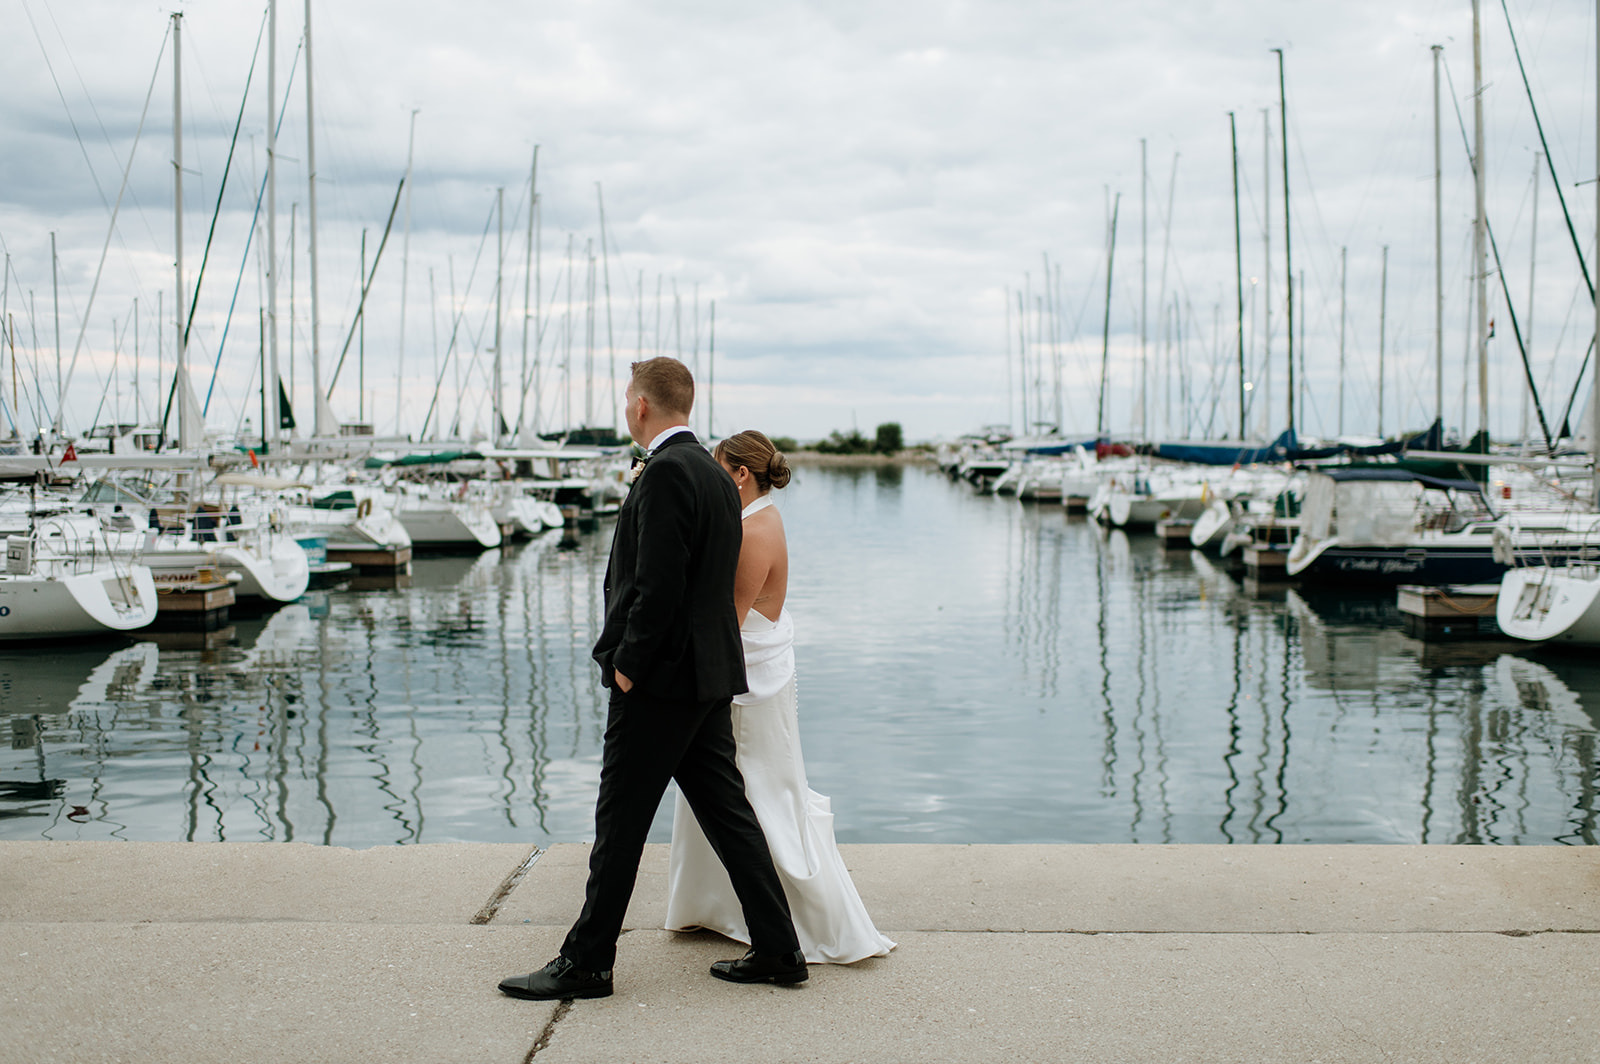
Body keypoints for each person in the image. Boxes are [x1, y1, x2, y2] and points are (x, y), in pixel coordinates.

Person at [498, 358, 805, 1002]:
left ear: (640, 406)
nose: (625, 409)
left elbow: (660, 586)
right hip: (707, 675)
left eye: (625, 400)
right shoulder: (718, 477)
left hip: (660, 679)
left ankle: (587, 963)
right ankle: (779, 948)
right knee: (729, 815)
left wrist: (629, 665)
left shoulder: (667, 471)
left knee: (621, 820)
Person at [665, 430, 895, 964]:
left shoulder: (752, 531)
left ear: (741, 474)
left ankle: (788, 921)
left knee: (752, 792)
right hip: (758, 668)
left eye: (720, 470)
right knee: (735, 792)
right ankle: (718, 906)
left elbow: (728, 619)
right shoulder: (758, 517)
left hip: (747, 681)